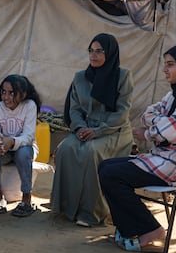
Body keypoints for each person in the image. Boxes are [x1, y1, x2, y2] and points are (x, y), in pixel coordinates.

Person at [97, 43, 176, 253]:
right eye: (165, 64)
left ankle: (150, 229)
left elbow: (172, 132)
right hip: (164, 158)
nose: (165, 70)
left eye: (170, 65)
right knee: (105, 167)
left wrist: (148, 133)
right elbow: (148, 114)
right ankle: (128, 229)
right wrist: (161, 126)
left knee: (113, 174)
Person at [50, 33, 134, 227]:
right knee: (65, 149)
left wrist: (98, 131)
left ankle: (91, 213)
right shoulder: (81, 78)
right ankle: (65, 206)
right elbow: (75, 108)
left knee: (90, 152)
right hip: (85, 128)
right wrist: (80, 127)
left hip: (114, 131)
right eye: (91, 51)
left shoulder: (123, 76)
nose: (93, 56)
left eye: (99, 51)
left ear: (110, 53)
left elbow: (122, 112)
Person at [0, 74, 41, 217]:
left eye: (12, 93)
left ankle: (26, 197)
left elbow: (29, 137)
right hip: (4, 149)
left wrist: (11, 141)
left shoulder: (29, 105)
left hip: (25, 148)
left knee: (23, 153)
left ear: (23, 94)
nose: (6, 97)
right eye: (3, 92)